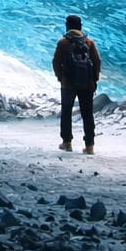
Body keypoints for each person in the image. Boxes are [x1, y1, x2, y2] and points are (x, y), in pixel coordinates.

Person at [52, 14, 101, 154]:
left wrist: (61, 77)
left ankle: (67, 143)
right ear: (80, 26)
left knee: (66, 112)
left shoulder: (63, 42)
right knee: (87, 114)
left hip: (68, 84)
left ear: (67, 26)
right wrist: (94, 80)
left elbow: (56, 62)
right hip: (87, 84)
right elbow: (97, 62)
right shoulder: (89, 42)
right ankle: (89, 145)